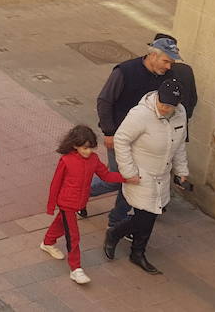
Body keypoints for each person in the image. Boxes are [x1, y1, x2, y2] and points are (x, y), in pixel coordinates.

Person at [91, 36, 182, 227]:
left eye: (171, 63)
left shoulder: (167, 78)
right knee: (116, 179)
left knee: (133, 179)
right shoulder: (125, 71)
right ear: (152, 56)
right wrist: (109, 133)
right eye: (166, 61)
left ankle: (116, 220)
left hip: (144, 141)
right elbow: (104, 101)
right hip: (119, 136)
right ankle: (77, 190)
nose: (168, 66)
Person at [103, 80, 189, 275]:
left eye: (170, 106)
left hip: (162, 174)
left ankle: (135, 250)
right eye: (163, 104)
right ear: (157, 97)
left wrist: (181, 171)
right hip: (141, 174)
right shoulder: (140, 115)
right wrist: (129, 172)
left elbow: (180, 143)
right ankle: (119, 237)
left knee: (151, 215)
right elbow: (121, 140)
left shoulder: (180, 114)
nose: (166, 109)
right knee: (145, 216)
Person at [42, 125, 136, 285]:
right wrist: (51, 205)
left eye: (90, 148)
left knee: (62, 223)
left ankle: (48, 242)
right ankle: (76, 269)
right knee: (73, 236)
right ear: (75, 145)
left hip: (79, 202)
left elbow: (106, 175)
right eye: (84, 148)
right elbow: (55, 183)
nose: (88, 151)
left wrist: (126, 178)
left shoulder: (93, 159)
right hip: (67, 203)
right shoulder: (66, 160)